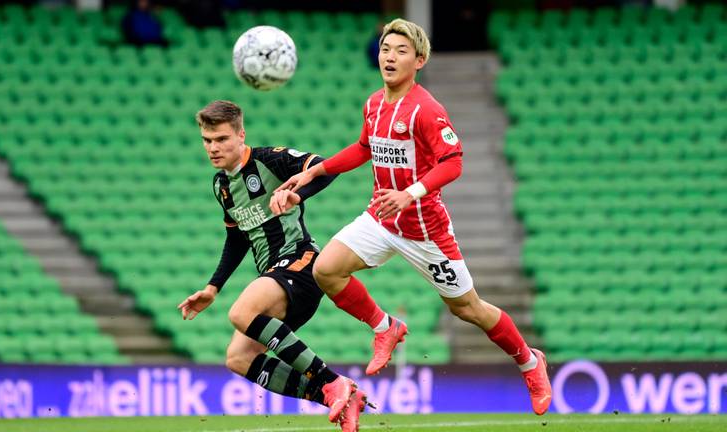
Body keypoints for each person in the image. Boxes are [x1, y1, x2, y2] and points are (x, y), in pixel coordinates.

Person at [272, 18, 553, 415]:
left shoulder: (426, 109)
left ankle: (529, 361)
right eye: (386, 49)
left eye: (401, 51)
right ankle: (385, 327)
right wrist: (316, 171)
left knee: (468, 308)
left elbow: (453, 162)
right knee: (327, 269)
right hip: (381, 217)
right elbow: (363, 147)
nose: (390, 56)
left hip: (425, 230)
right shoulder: (373, 103)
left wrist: (410, 193)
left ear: (419, 60)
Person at [177, 101, 366, 431]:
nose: (212, 147)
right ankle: (334, 396)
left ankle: (332, 382)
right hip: (275, 276)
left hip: (301, 262)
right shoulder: (222, 185)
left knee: (239, 313)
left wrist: (298, 194)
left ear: (241, 135)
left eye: (221, 139)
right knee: (237, 358)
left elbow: (326, 167)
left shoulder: (270, 160)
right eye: (207, 140)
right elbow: (237, 237)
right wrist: (212, 287)